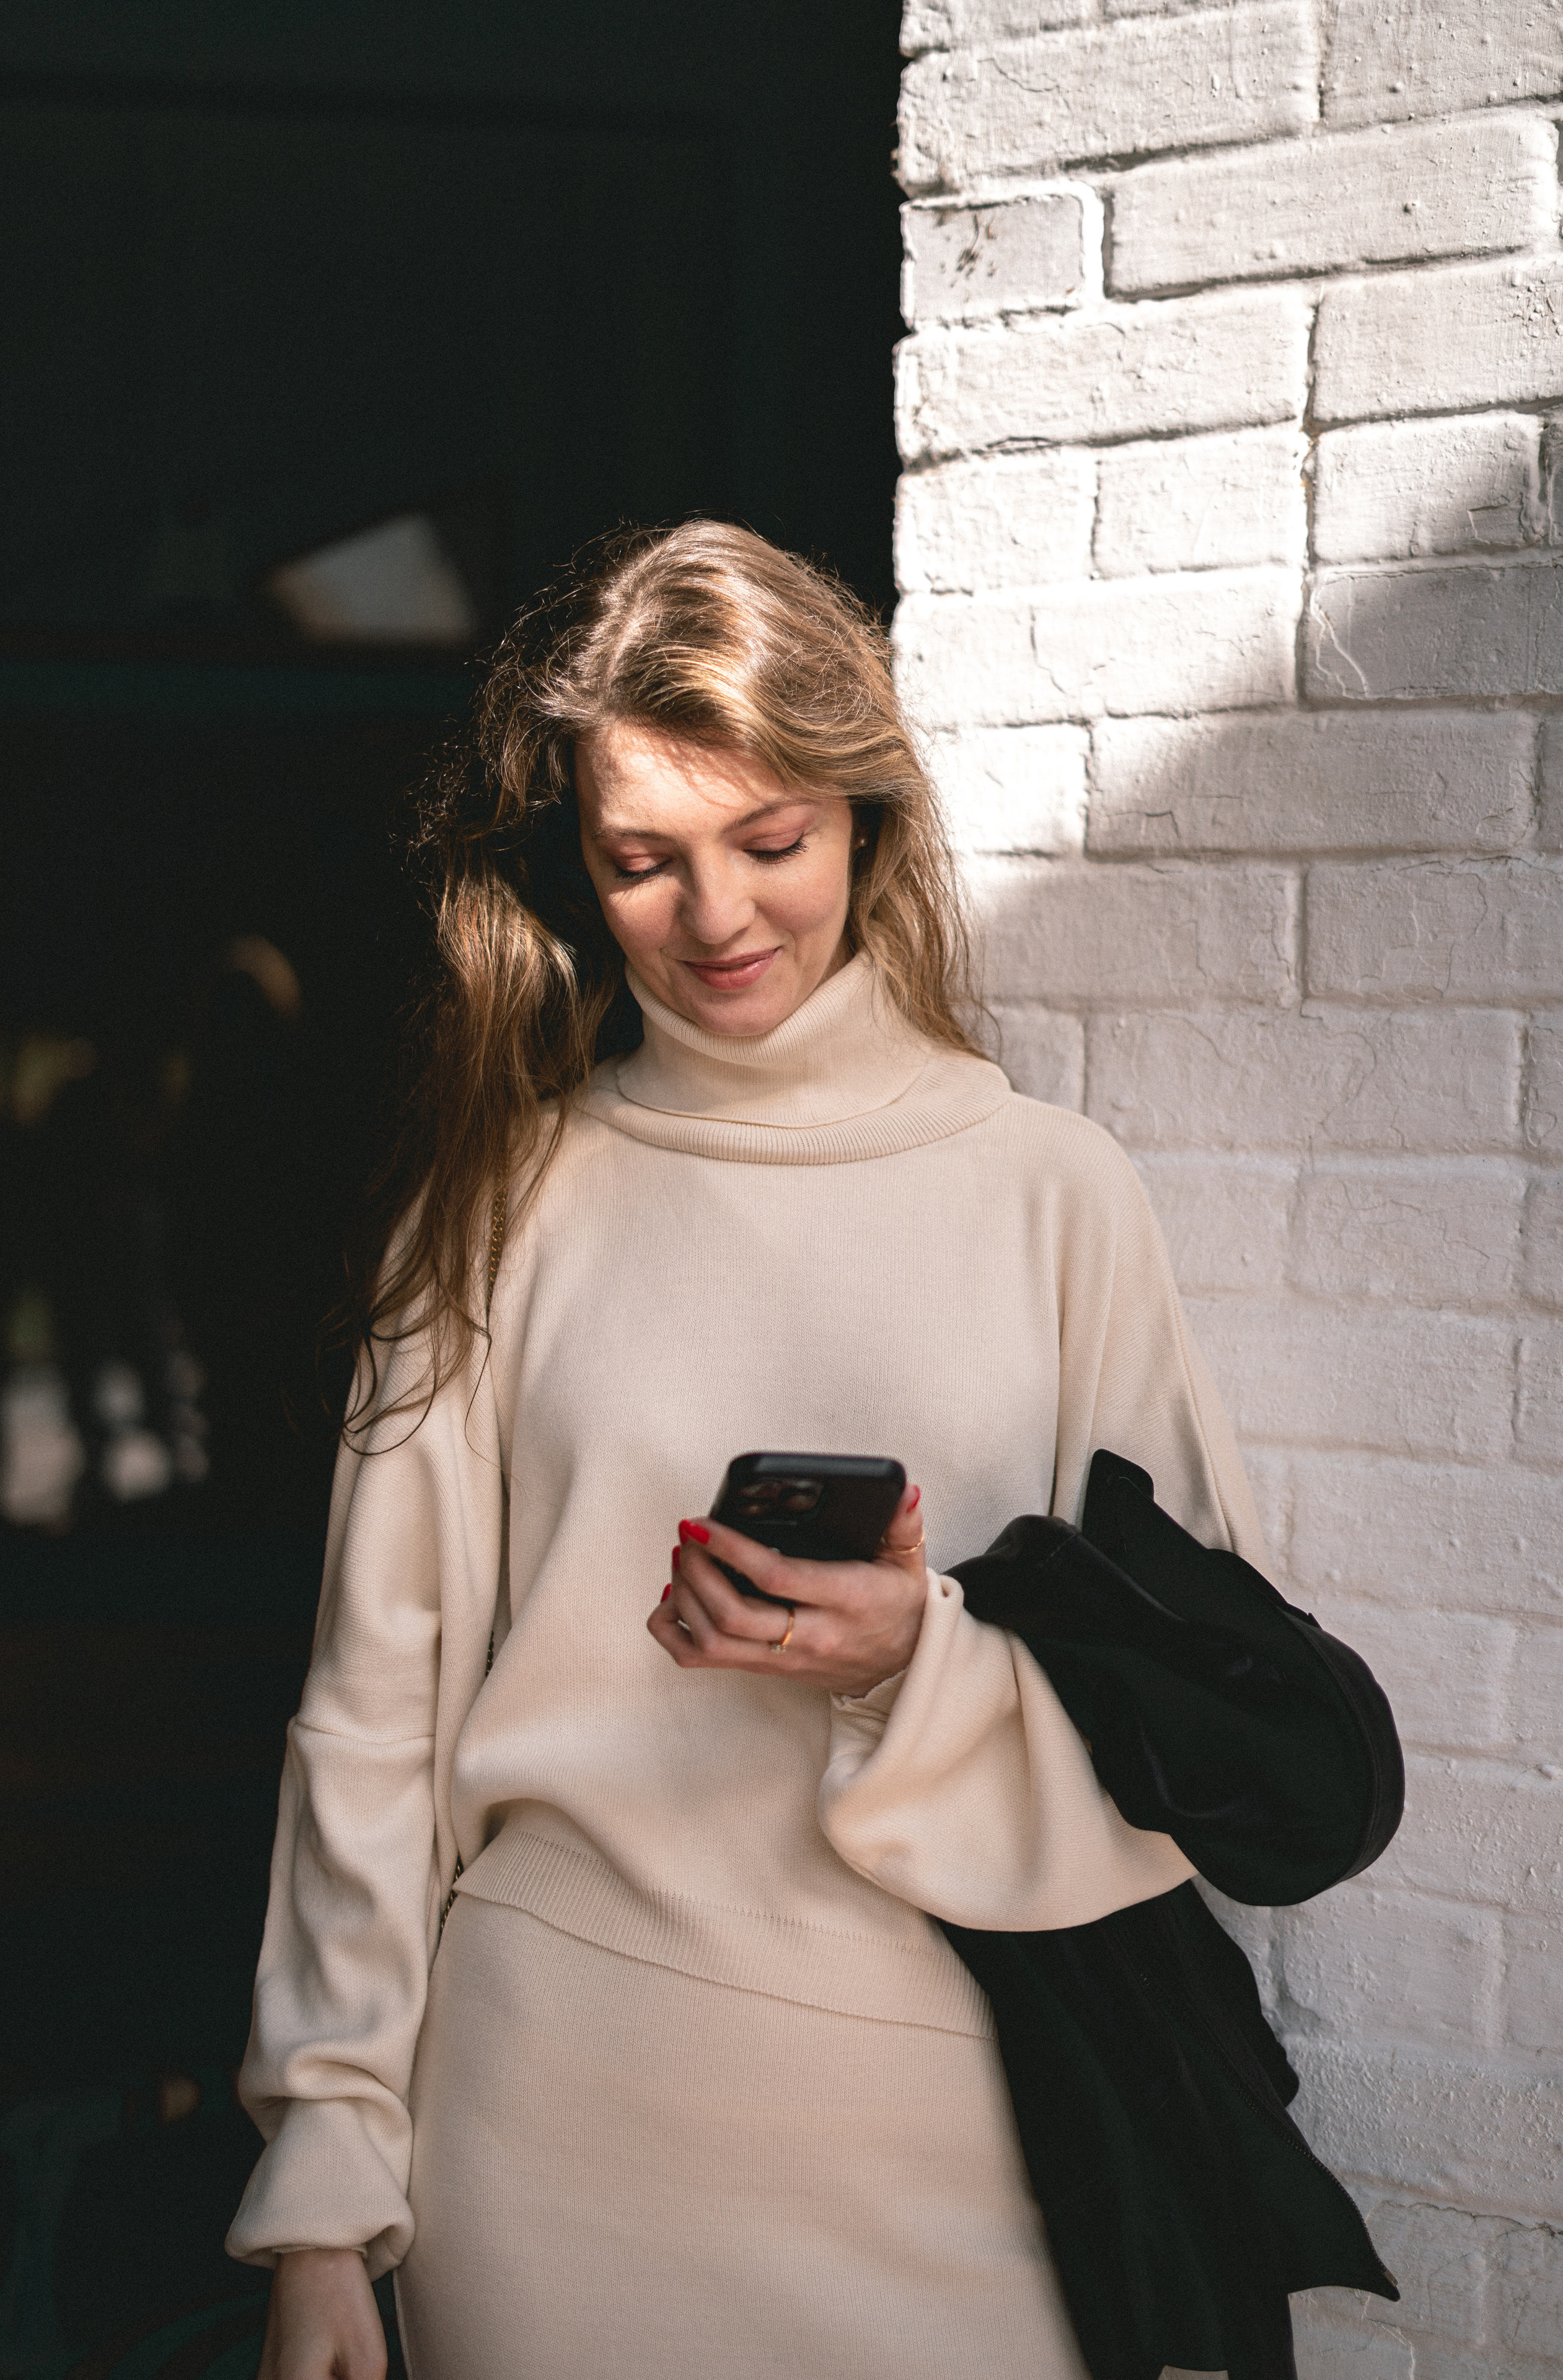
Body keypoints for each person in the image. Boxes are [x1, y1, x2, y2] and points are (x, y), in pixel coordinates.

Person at [227, 522, 1269, 2380]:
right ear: (581, 867)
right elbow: (370, 1717)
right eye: (645, 861)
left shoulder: (1051, 1198)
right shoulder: (497, 1208)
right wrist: (325, 2185)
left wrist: (918, 1659)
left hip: (957, 2128)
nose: (717, 918)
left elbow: (1195, 1718)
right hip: (549, 2141)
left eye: (768, 842)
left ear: (865, 822)